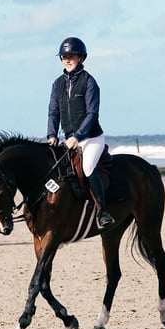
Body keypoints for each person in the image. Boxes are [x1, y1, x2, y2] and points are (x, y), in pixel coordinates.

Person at [47, 37, 116, 229]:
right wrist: (51, 135)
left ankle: (102, 212)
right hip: (68, 139)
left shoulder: (89, 82)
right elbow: (53, 112)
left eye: (71, 56)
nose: (67, 59)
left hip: (91, 138)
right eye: (64, 56)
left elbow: (92, 114)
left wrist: (77, 137)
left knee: (86, 168)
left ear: (81, 57)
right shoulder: (57, 84)